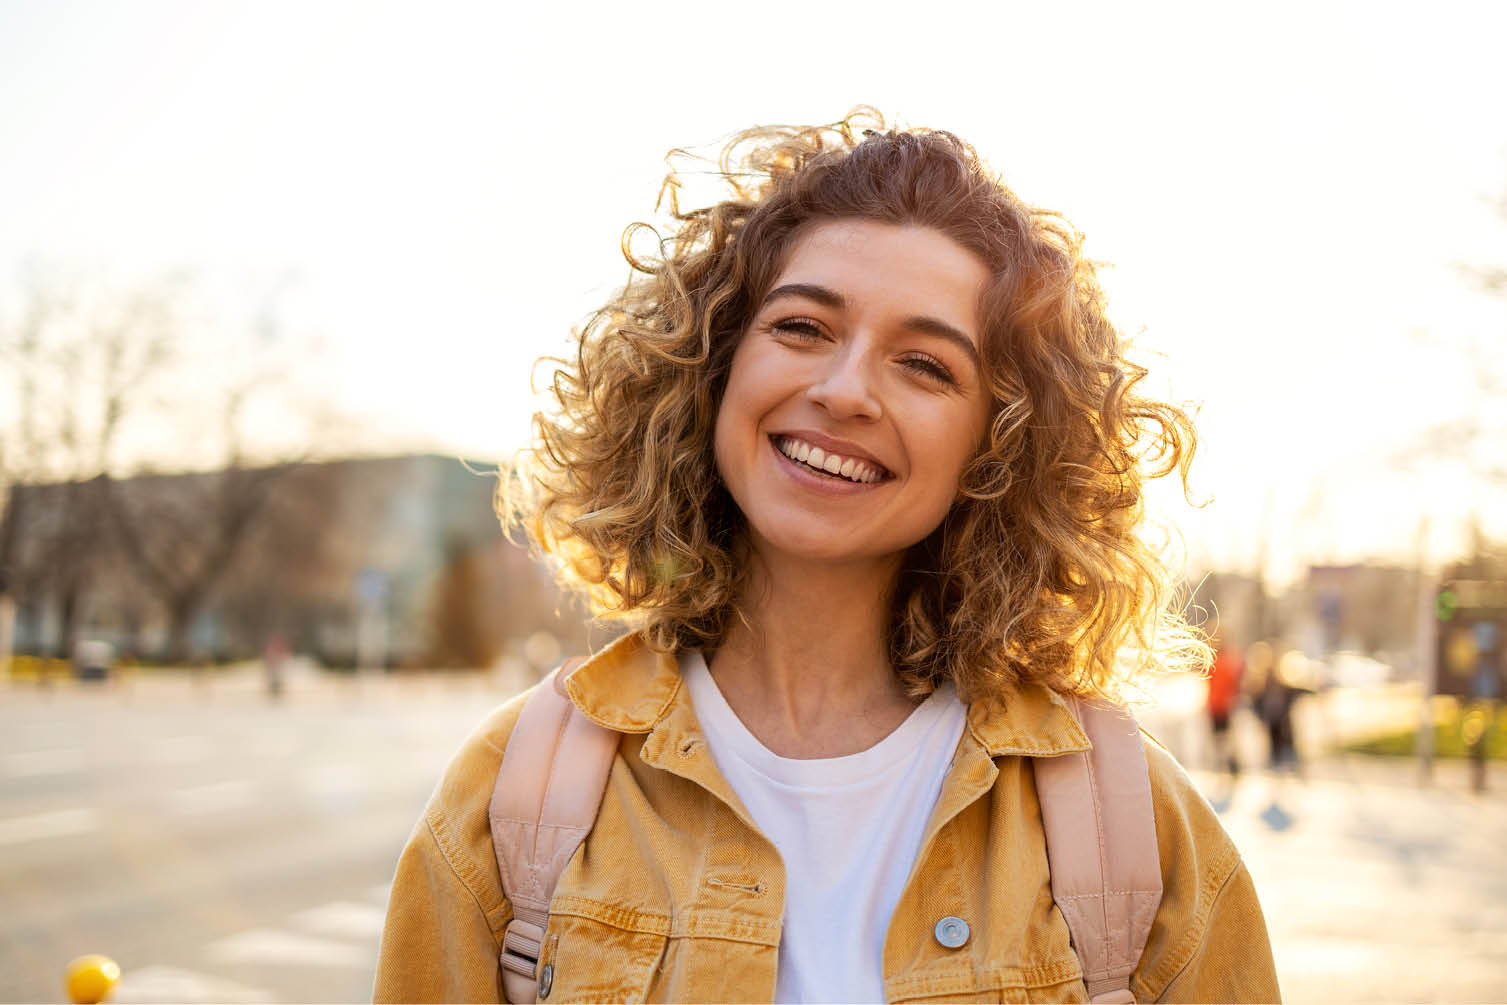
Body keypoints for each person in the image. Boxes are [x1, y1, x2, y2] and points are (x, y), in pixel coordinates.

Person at [374, 111, 1280, 1003]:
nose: (843, 391)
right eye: (801, 328)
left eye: (925, 365)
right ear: (713, 365)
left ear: (997, 448)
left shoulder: (1122, 821)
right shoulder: (515, 793)